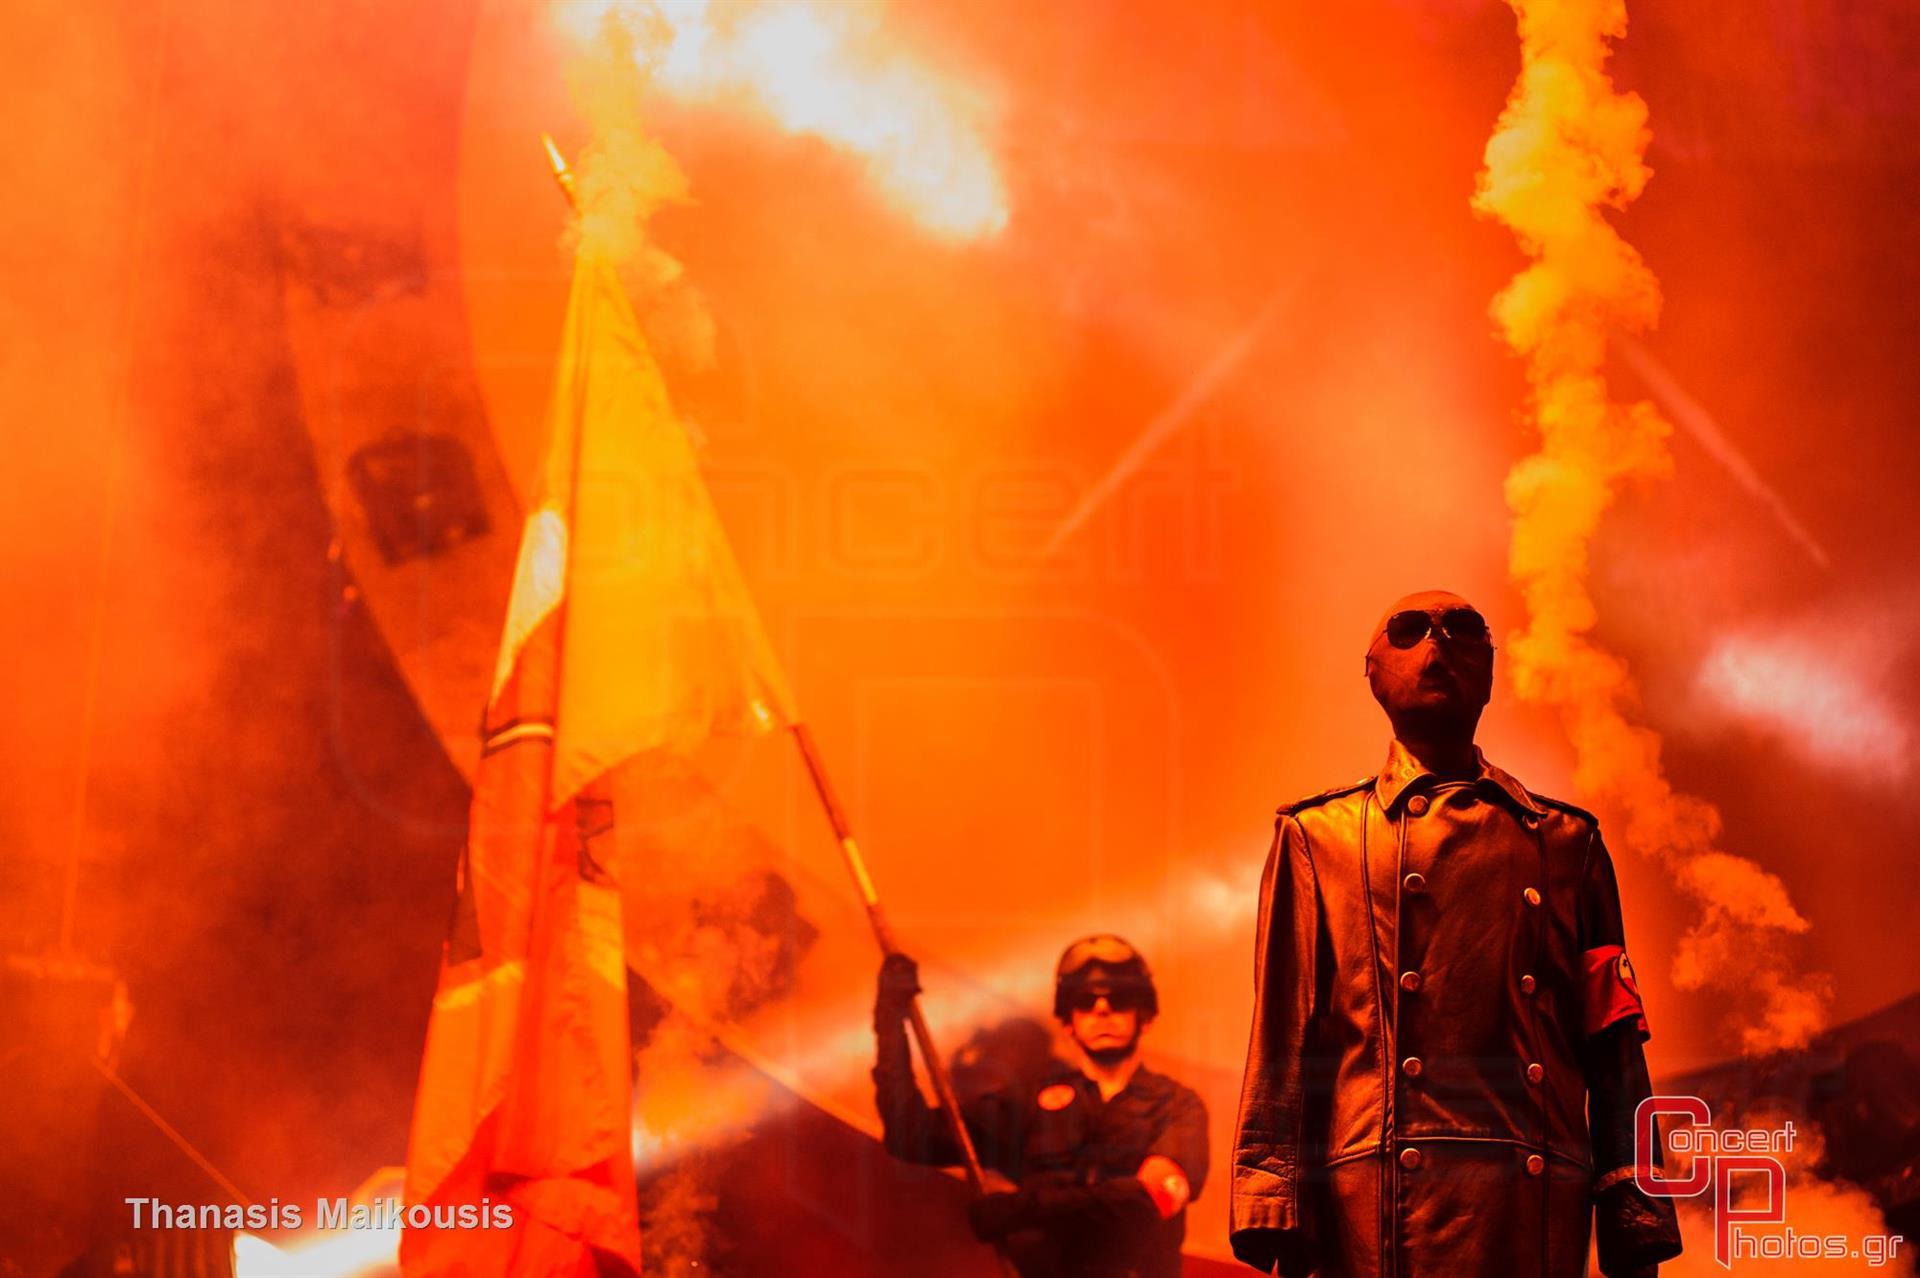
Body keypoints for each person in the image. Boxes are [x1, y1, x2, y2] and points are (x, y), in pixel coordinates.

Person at [1230, 590, 1683, 1278]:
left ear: (1492, 672)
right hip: (1371, 1200)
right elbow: (1283, 1039)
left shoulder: (1569, 844)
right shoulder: (1316, 836)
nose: (1438, 646)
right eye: (1409, 631)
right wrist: (1268, 1195)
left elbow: (1614, 1049)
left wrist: (1637, 1208)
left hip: (1530, 1198)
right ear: (1372, 672)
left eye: (1462, 631)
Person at [873, 935, 1208, 1278]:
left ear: (1146, 1017)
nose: (1102, 1009)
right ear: (1067, 1023)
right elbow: (909, 1135)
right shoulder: (1028, 1104)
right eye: (1085, 1001)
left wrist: (1021, 1209)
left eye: (1119, 999)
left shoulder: (1178, 1105)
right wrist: (890, 1020)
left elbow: (1153, 1199)